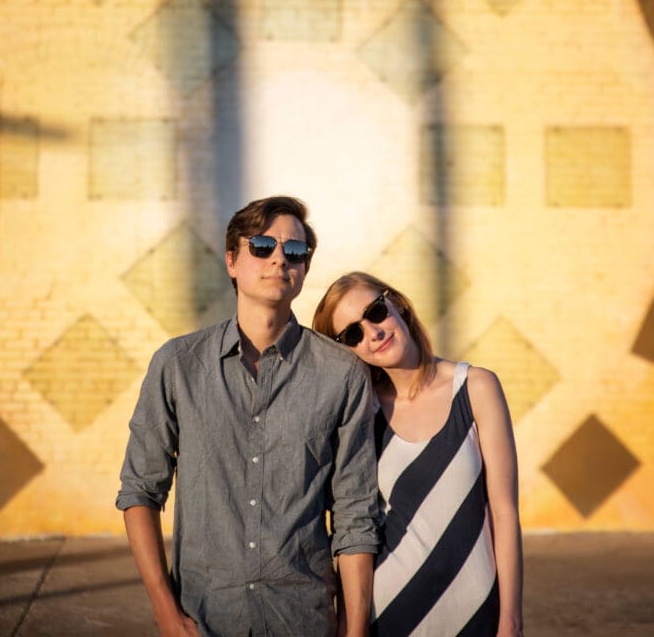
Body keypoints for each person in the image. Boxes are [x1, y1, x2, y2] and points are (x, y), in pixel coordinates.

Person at [116, 196, 380, 637]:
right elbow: (140, 491)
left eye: (294, 250)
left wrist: (354, 630)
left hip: (303, 618)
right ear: (231, 261)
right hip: (205, 618)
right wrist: (165, 612)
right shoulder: (178, 365)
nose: (279, 258)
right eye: (261, 246)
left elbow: (355, 513)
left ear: (304, 269)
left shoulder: (342, 373)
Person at [312, 271, 524, 637]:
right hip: (389, 616)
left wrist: (511, 620)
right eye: (353, 334)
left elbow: (504, 512)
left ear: (397, 304)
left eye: (376, 312)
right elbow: (351, 529)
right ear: (346, 350)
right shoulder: (360, 415)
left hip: (476, 614)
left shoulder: (476, 387)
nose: (373, 333)